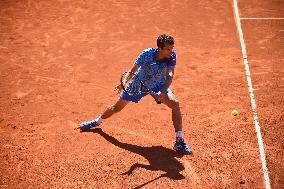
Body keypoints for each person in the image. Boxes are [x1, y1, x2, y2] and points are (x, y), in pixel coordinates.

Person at [80, 34, 192, 154]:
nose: (171, 51)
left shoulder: (172, 56)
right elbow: (133, 69)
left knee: (175, 104)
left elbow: (170, 75)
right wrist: (124, 82)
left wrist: (163, 90)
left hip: (158, 84)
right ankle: (97, 121)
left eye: (172, 48)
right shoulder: (146, 54)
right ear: (159, 48)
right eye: (168, 49)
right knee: (116, 108)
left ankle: (179, 141)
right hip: (138, 84)